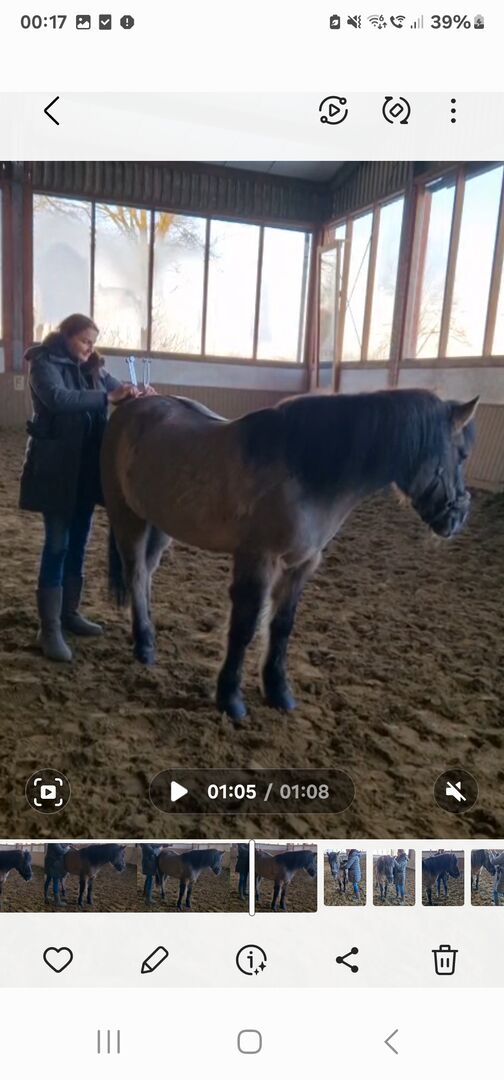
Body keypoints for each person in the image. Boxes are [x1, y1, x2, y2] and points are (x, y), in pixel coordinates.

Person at [19, 313, 150, 662]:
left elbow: (117, 390)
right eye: (84, 341)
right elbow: (59, 399)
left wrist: (138, 395)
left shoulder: (94, 368)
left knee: (78, 543)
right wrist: (108, 398)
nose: (90, 348)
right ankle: (49, 627)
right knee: (57, 544)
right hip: (55, 469)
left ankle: (69, 613)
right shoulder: (43, 364)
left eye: (93, 342)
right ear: (66, 335)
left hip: (86, 470)